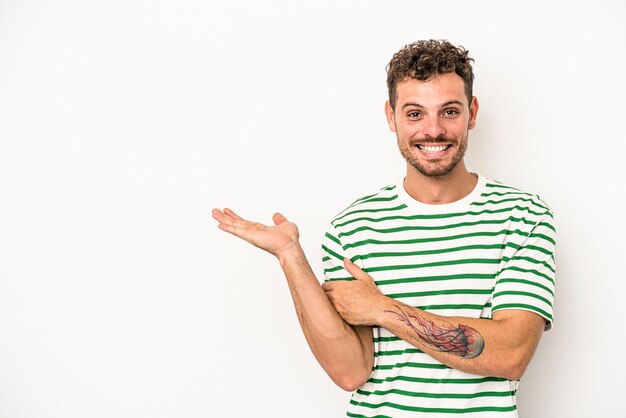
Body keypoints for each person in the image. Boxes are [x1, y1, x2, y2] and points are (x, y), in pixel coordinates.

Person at [212, 40, 555, 417]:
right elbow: (350, 371)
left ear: (472, 113)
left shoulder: (524, 216)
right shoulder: (352, 227)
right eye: (414, 114)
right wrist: (291, 257)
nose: (434, 130)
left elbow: (511, 354)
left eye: (450, 111)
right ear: (391, 117)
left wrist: (381, 308)